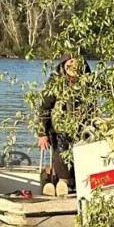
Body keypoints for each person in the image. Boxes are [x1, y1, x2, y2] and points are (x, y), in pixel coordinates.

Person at [38, 55, 92, 196]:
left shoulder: (88, 81)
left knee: (83, 159)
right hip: (60, 130)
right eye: (70, 61)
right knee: (62, 158)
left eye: (76, 61)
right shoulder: (55, 82)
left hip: (83, 131)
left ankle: (79, 187)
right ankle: (63, 185)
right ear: (64, 64)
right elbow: (44, 108)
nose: (73, 64)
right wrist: (42, 133)